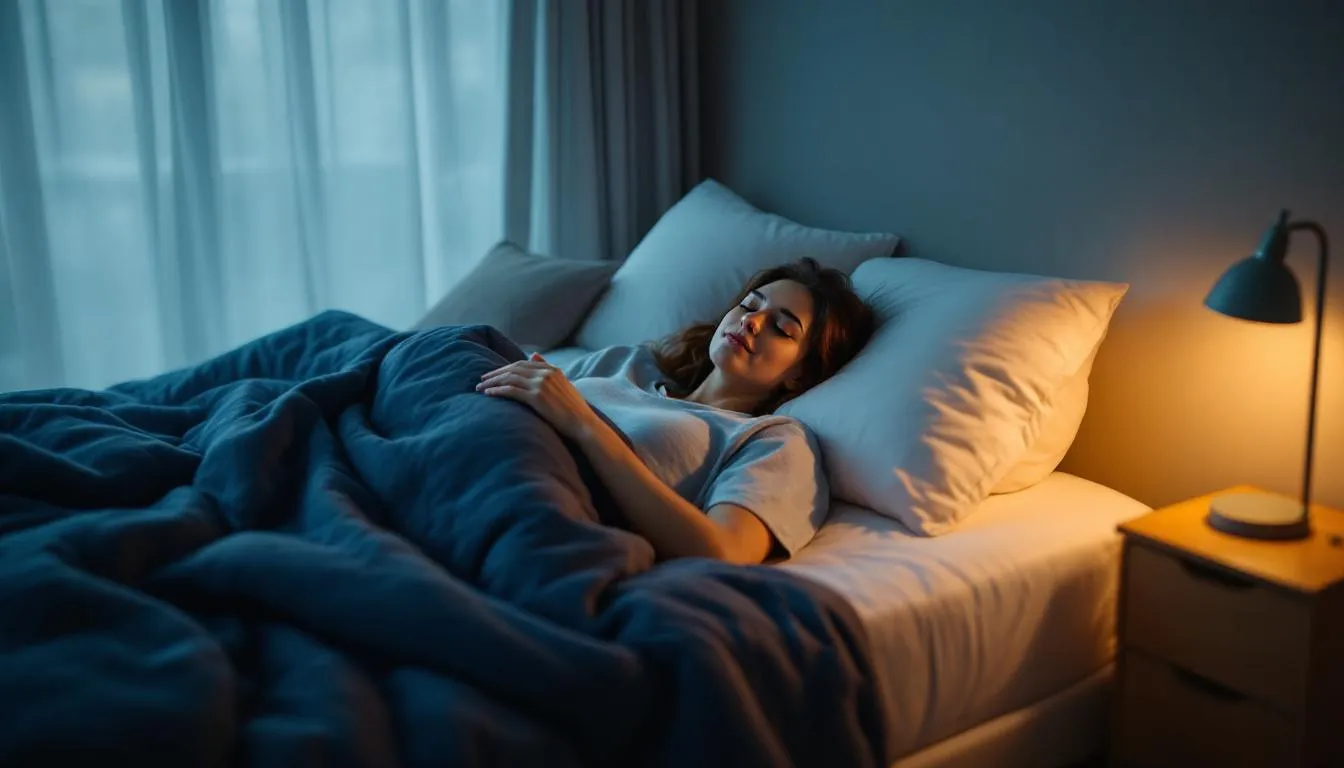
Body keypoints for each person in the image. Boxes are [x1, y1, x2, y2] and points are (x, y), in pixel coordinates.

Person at [475, 257, 875, 565]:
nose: (752, 321)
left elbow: (722, 551)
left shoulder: (774, 441)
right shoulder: (629, 363)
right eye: (750, 305)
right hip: (483, 449)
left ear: (800, 375)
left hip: (534, 504)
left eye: (781, 329)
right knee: (459, 345)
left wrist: (585, 426)